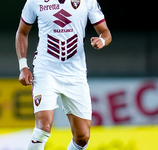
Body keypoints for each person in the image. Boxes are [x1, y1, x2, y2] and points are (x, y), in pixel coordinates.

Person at [15, 0, 112, 149]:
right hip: (46, 71)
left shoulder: (88, 1)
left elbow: (105, 32)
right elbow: (22, 32)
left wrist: (102, 40)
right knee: (43, 128)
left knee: (82, 137)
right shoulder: (35, 1)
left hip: (76, 74)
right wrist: (23, 66)